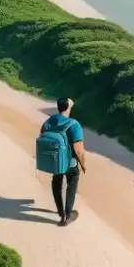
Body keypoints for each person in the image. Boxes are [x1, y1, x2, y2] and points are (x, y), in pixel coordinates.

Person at [40, 97, 87, 226]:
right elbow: (78, 150)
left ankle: (61, 212)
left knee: (57, 182)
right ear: (67, 108)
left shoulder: (48, 122)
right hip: (70, 162)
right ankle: (68, 215)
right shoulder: (73, 124)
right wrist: (83, 165)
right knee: (72, 184)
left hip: (55, 162)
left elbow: (44, 142)